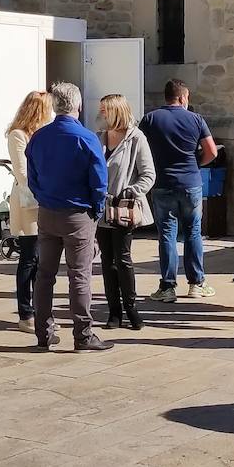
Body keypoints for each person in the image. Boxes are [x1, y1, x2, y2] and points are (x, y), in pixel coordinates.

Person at [25, 82, 111, 352]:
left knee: (44, 275)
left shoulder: (39, 137)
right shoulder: (86, 138)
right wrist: (95, 210)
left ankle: (43, 333)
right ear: (78, 105)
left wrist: (43, 198)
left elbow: (33, 176)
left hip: (48, 212)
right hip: (77, 213)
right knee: (80, 276)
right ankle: (83, 335)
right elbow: (99, 181)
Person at [139, 79, 219, 303]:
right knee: (193, 232)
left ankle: (167, 286)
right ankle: (196, 283)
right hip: (190, 182)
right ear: (183, 97)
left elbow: (139, 148)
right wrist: (196, 164)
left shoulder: (150, 119)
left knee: (166, 234)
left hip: (162, 183)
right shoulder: (195, 119)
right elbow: (212, 152)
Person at [96, 94, 156, 330]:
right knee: (106, 260)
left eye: (104, 110)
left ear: (115, 111)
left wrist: (131, 191)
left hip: (124, 209)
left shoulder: (136, 138)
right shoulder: (98, 137)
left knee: (123, 259)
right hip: (101, 209)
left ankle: (132, 309)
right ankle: (114, 312)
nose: (100, 113)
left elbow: (149, 174)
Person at [5, 91, 53, 333]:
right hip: (29, 203)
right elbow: (22, 173)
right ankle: (26, 313)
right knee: (29, 258)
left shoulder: (44, 134)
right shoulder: (18, 135)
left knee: (43, 260)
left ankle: (40, 309)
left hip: (45, 201)